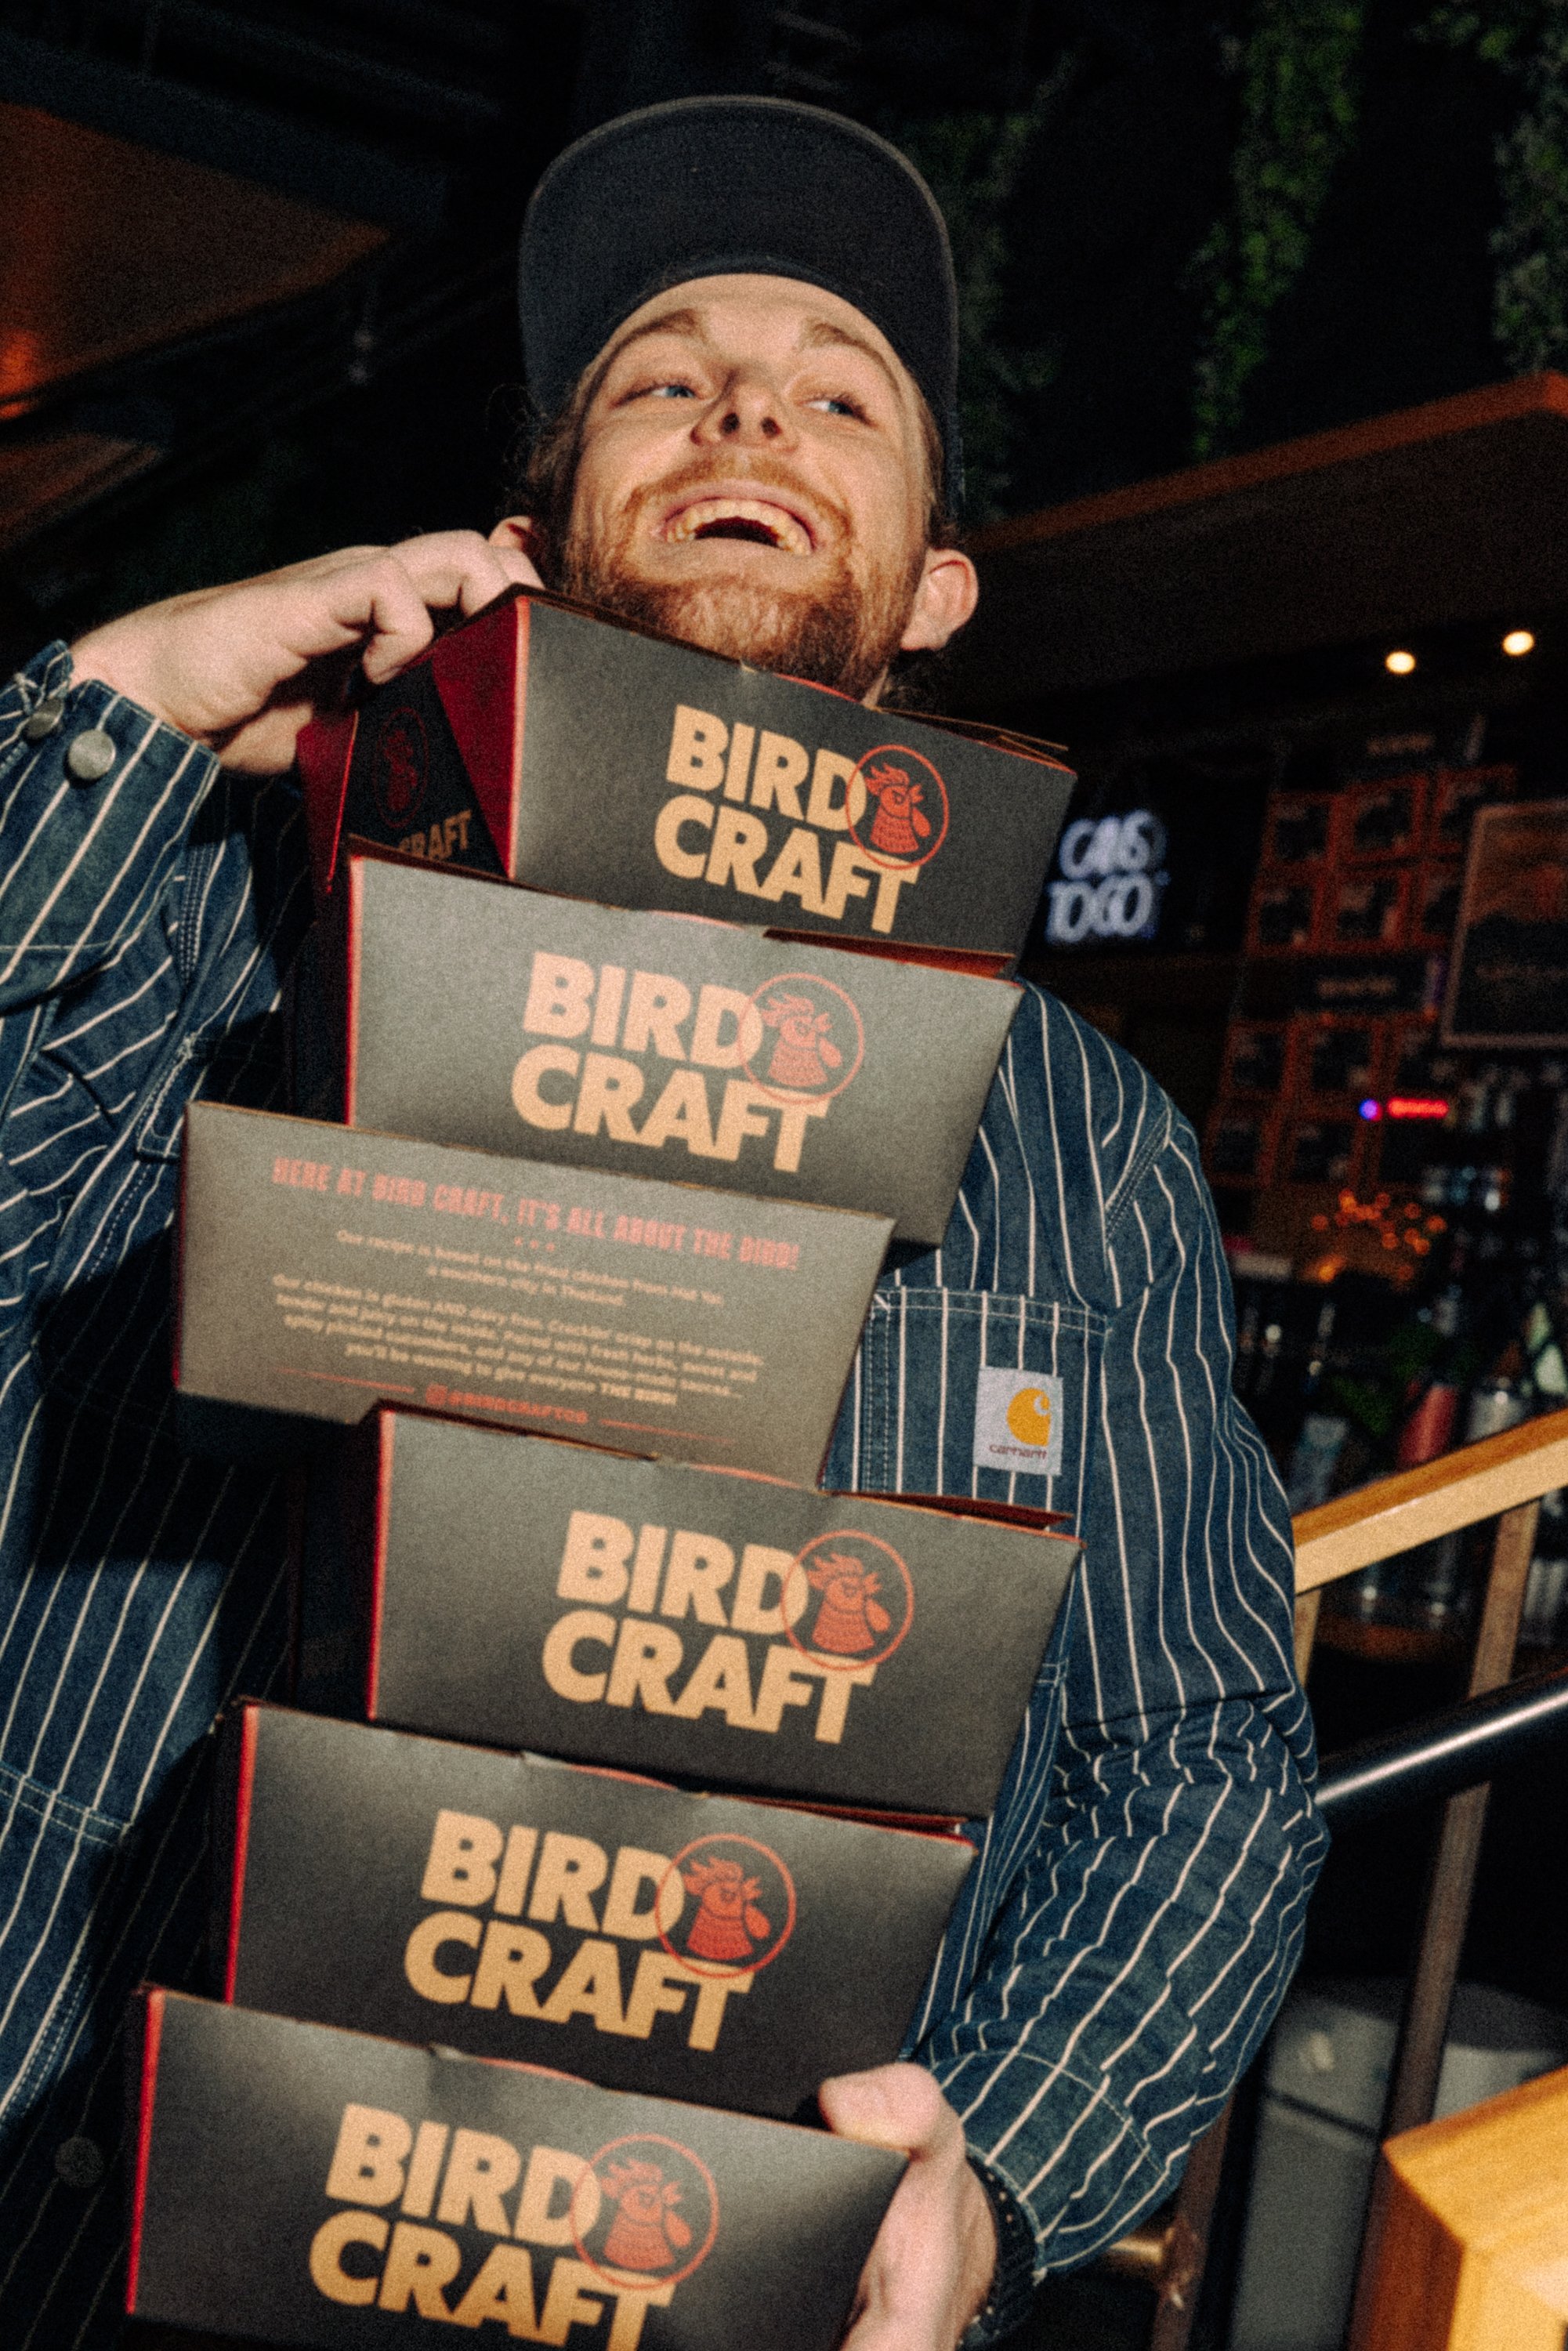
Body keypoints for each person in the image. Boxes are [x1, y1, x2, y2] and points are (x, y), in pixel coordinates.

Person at [0, 96, 1324, 2349]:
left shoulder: (1072, 1137)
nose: (747, 414)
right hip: (72, 2208)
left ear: (934, 588)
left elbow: (1194, 1750)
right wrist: (118, 705)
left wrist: (999, 2181)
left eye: (839, 395)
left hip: (679, 2267)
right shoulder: (213, 933)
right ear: (526, 543)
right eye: (666, 378)